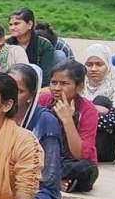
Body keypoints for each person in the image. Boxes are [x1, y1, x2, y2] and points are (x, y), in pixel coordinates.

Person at [40, 61, 100, 192]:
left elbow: (79, 155)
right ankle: (58, 181)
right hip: (44, 157)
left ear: (79, 87)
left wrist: (68, 121)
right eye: (53, 82)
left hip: (70, 161)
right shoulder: (43, 101)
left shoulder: (88, 110)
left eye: (64, 84)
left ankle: (49, 179)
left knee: (88, 169)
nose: (56, 88)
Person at [11, 64, 62, 199]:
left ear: (32, 96)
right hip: (3, 188)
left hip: (38, 191)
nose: (11, 95)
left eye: (19, 91)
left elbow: (49, 177)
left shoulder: (46, 120)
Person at [82, 43, 115, 163]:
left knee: (102, 100)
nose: (93, 69)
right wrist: (95, 110)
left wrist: (84, 113)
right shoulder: (80, 84)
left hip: (104, 148)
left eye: (99, 64)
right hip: (81, 142)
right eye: (89, 65)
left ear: (108, 65)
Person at [7, 8, 56, 81]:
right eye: (10, 25)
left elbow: (46, 76)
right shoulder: (7, 44)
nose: (12, 28)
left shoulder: (44, 45)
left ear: (29, 24)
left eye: (17, 23)